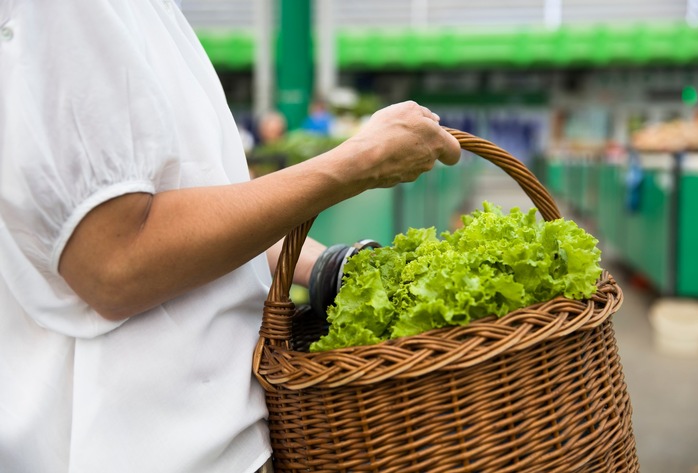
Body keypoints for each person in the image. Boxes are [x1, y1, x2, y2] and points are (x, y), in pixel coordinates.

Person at [0, 1, 461, 472]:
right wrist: (357, 162)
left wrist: (337, 268)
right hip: (150, 447)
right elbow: (115, 262)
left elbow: (191, 213)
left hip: (226, 437)